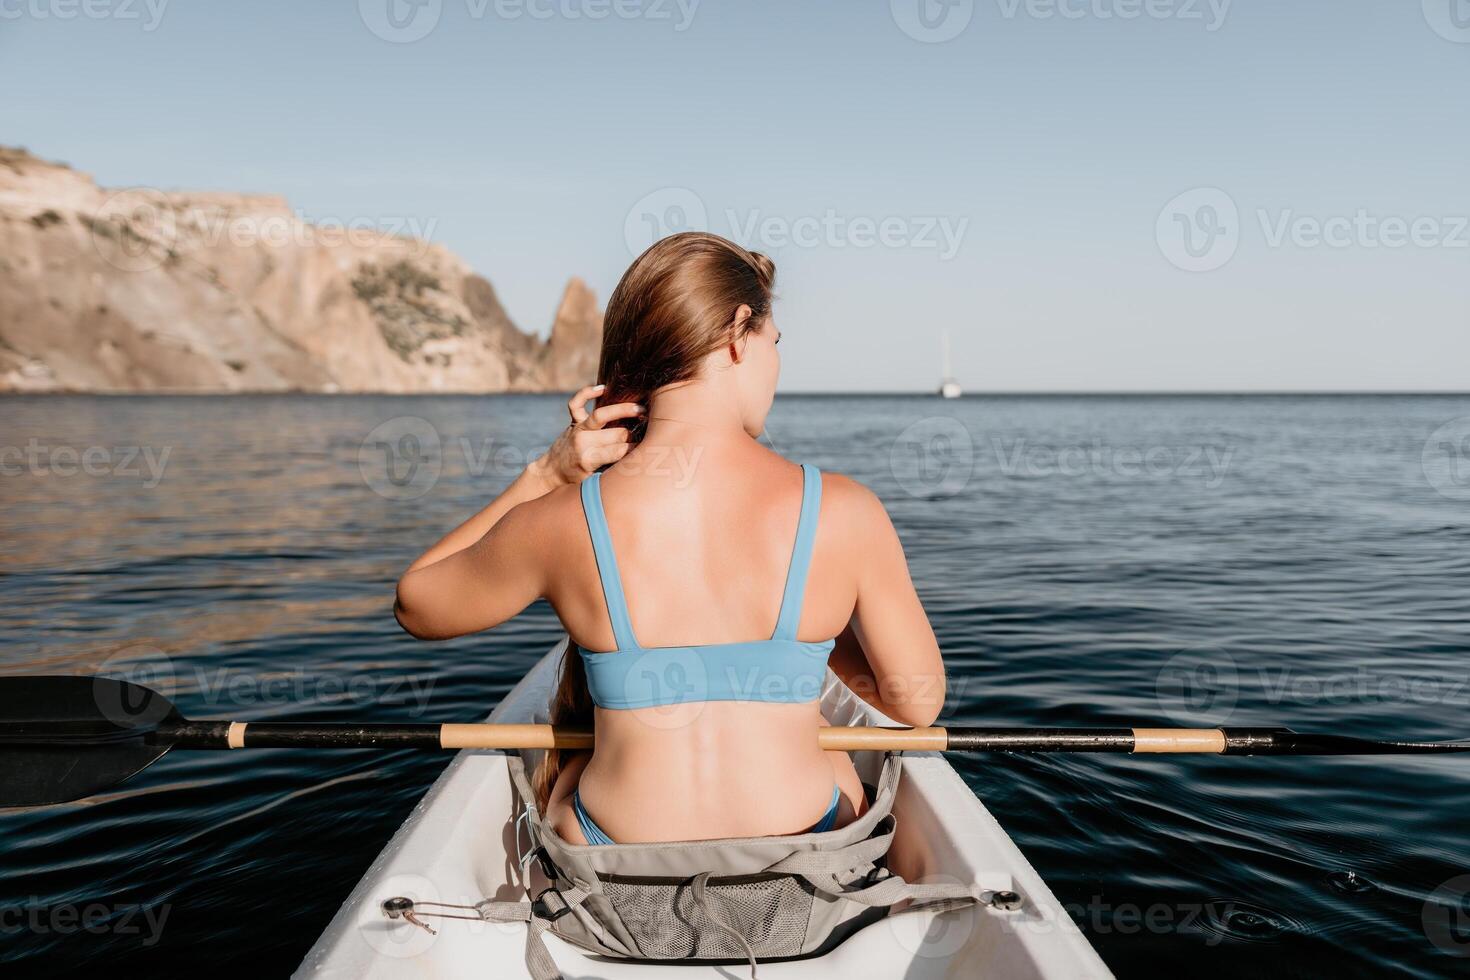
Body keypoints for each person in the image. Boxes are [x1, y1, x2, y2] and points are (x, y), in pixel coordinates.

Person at [395, 232, 946, 845]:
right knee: (839, 768)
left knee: (568, 771)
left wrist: (546, 475)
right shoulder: (845, 512)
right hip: (799, 870)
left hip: (614, 872)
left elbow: (416, 605)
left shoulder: (561, 518)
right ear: (739, 333)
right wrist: (808, 631)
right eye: (775, 341)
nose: (777, 363)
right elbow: (914, 703)